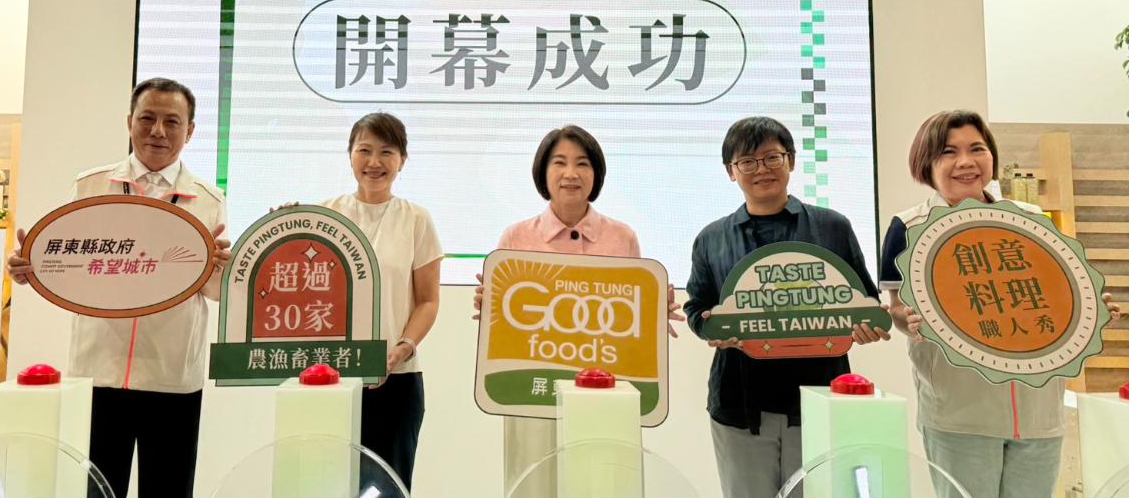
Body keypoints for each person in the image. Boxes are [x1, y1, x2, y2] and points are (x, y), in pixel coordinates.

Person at [7, 78, 231, 498]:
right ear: (130, 122)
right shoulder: (91, 186)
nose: (158, 131)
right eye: (147, 118)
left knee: (168, 490)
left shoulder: (208, 199)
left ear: (190, 131)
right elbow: (66, 264)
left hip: (172, 375)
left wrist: (221, 269)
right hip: (99, 371)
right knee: (97, 489)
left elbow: (215, 292)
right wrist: (29, 269)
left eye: (172, 121)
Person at [880, 109, 1121, 498]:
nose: (966, 162)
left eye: (977, 149)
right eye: (948, 152)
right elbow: (895, 307)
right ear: (926, 163)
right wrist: (907, 320)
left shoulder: (1032, 219)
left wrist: (1090, 308)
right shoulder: (908, 227)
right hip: (960, 414)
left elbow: (1056, 293)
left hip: (1039, 411)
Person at [471, 125, 684, 493]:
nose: (571, 173)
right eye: (559, 162)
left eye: (582, 163)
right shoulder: (516, 237)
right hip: (531, 390)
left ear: (596, 173)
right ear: (543, 172)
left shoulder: (622, 237)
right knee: (533, 483)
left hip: (604, 391)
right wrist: (490, 307)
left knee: (600, 480)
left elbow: (632, 310)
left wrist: (652, 311)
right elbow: (504, 314)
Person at [684, 116, 888, 498]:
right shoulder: (711, 238)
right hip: (740, 405)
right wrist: (709, 325)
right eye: (748, 162)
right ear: (731, 171)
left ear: (791, 161)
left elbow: (865, 300)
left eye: (772, 157)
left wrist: (868, 326)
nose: (761, 169)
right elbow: (697, 307)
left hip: (819, 400)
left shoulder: (833, 227)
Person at [316, 112, 441, 492]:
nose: (374, 162)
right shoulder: (325, 214)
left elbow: (427, 301)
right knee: (330, 483)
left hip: (398, 379)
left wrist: (403, 348)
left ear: (403, 159)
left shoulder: (416, 219)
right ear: (350, 155)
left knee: (389, 487)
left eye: (386, 152)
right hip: (332, 375)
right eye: (364, 150)